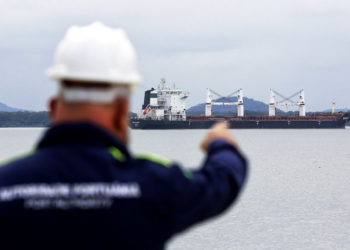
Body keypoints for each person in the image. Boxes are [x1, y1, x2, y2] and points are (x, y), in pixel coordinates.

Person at [0, 22, 248, 250]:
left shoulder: (5, 182)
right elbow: (222, 181)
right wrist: (221, 143)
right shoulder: (152, 184)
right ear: (121, 111)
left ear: (53, 107)